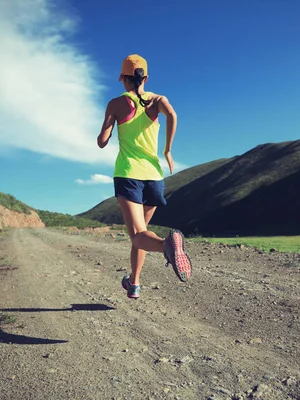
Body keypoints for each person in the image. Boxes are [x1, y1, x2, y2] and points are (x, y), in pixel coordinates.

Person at [97, 54, 192, 299]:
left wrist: (110, 124)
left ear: (122, 78)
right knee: (141, 234)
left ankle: (166, 246)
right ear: (146, 77)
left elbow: (102, 141)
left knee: (139, 235)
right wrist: (167, 150)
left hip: (129, 175)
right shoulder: (158, 100)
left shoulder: (116, 103)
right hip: (154, 177)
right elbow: (173, 115)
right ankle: (134, 283)